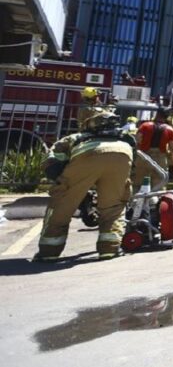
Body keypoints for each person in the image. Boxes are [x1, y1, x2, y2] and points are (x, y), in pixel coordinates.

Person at [34, 111, 135, 262]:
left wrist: (63, 183)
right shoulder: (126, 138)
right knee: (113, 206)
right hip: (123, 154)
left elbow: (51, 161)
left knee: (62, 206)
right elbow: (134, 163)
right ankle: (109, 248)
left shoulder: (76, 138)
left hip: (87, 156)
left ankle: (49, 252)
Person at [136, 107, 173, 187]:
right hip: (160, 158)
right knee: (158, 184)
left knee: (138, 183)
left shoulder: (144, 126)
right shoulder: (170, 130)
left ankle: (137, 198)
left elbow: (138, 140)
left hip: (143, 156)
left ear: (156, 114)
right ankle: (155, 199)